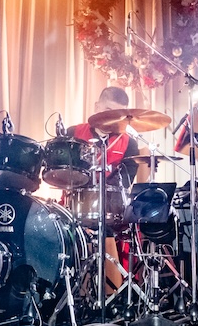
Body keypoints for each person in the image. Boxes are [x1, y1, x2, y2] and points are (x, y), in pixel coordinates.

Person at [70, 85, 150, 294]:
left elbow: (126, 179)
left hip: (110, 210)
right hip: (74, 206)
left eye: (116, 114)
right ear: (96, 107)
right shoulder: (73, 134)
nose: (110, 118)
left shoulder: (129, 144)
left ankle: (111, 293)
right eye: (106, 110)